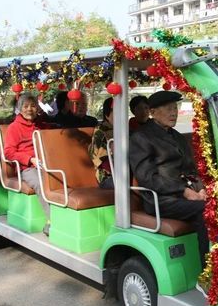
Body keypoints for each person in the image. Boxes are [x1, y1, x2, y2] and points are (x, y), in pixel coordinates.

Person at [129, 91, 209, 271]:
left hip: (184, 194)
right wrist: (184, 191)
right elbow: (148, 178)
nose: (174, 112)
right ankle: (208, 272)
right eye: (168, 108)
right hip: (160, 199)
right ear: (152, 112)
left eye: (176, 108)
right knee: (206, 211)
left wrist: (200, 189)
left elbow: (190, 170)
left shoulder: (177, 136)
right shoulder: (141, 138)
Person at [3, 93, 51, 236]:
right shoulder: (14, 128)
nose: (29, 109)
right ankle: (52, 221)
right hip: (28, 168)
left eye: (33, 106)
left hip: (46, 163)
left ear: (37, 108)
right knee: (41, 183)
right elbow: (8, 153)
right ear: (20, 108)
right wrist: (30, 159)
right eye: (26, 106)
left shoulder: (42, 125)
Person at [89, 98, 114, 189]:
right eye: (116, 112)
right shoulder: (101, 131)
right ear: (107, 115)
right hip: (108, 177)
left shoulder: (126, 129)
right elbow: (98, 158)